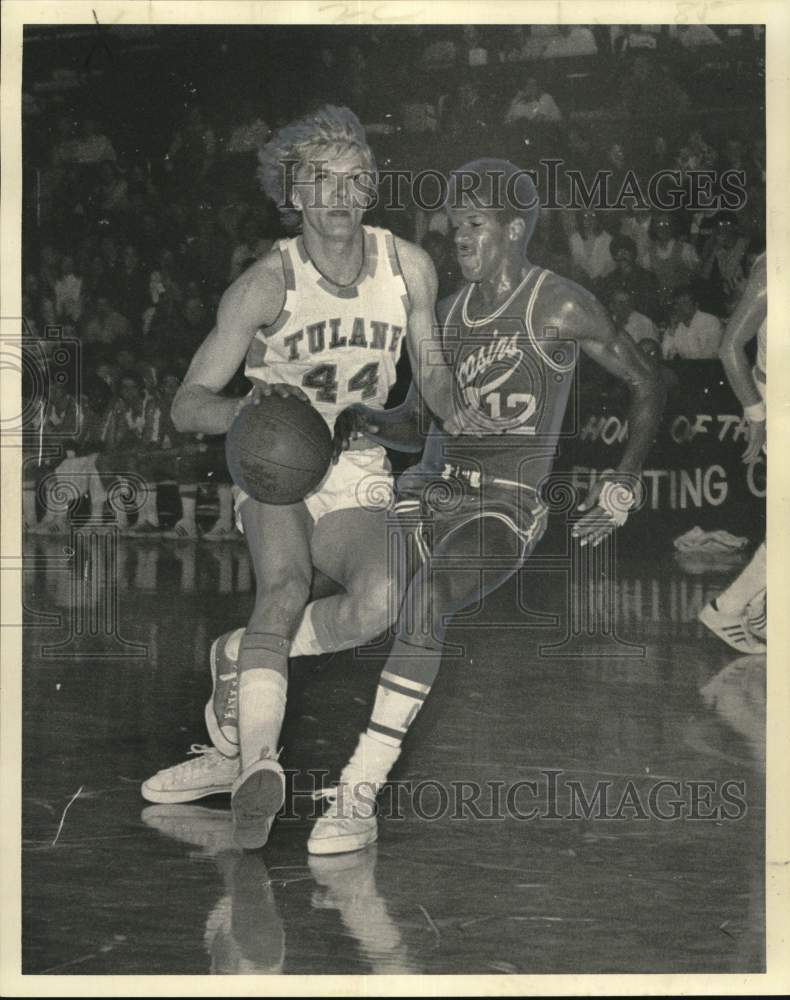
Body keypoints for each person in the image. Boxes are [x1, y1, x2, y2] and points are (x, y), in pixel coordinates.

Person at [304, 158, 665, 855]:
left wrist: (622, 483)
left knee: (427, 599)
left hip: (500, 508)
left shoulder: (557, 303)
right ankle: (244, 670)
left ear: (514, 228)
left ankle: (358, 794)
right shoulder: (446, 313)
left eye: (474, 222)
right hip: (428, 494)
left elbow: (649, 383)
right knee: (341, 593)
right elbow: (418, 422)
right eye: (453, 222)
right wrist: (361, 416)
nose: (457, 234)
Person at [140, 105, 460, 850]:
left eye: (355, 180)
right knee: (282, 587)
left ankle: (242, 655)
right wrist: (249, 410)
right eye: (322, 182)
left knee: (382, 600)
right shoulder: (263, 283)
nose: (340, 196)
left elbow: (433, 371)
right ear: (296, 194)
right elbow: (188, 405)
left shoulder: (408, 265)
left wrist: (458, 408)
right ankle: (256, 763)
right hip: (277, 467)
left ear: (372, 188)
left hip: (356, 464)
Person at [698, 254, 766, 653]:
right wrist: (755, 413)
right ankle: (731, 606)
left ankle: (756, 605)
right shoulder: (775, 266)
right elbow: (730, 348)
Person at [661, 287, 722, 360]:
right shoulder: (676, 326)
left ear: (696, 305)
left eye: (684, 303)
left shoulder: (710, 321)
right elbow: (666, 356)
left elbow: (711, 354)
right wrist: (672, 329)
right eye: (677, 304)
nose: (679, 307)